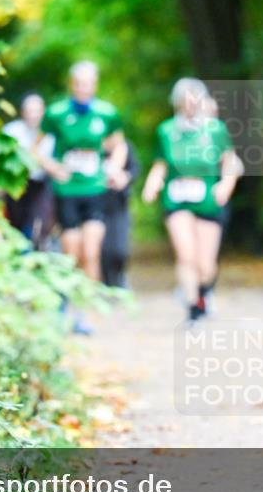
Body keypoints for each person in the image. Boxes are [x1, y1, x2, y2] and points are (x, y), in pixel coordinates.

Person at [142, 79, 241, 323]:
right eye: (185, 100)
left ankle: (204, 293)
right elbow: (160, 164)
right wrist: (152, 184)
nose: (191, 104)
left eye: (195, 99)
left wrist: (225, 185)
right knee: (186, 256)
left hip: (207, 199)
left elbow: (230, 162)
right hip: (177, 200)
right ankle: (192, 307)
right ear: (177, 102)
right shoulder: (166, 131)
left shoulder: (215, 130)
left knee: (206, 265)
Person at [41, 61, 127, 333]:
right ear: (72, 85)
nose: (83, 89)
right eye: (78, 84)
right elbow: (36, 148)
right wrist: (53, 168)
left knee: (91, 252)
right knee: (72, 253)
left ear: (95, 85)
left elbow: (119, 146)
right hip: (67, 192)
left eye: (88, 84)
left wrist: (113, 167)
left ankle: (85, 314)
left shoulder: (106, 114)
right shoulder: (56, 114)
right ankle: (67, 303)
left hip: (95, 190)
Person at [2, 93, 55, 250]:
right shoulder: (11, 132)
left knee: (38, 226)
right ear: (23, 112)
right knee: (15, 225)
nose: (33, 115)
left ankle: (36, 252)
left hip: (40, 185)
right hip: (16, 185)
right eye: (29, 111)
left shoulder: (51, 135)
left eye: (36, 111)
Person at [101, 139, 140, 289]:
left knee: (119, 250)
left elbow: (135, 169)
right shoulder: (90, 144)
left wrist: (126, 177)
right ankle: (106, 284)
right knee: (103, 249)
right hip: (97, 205)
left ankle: (119, 278)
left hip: (119, 205)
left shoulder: (124, 145)